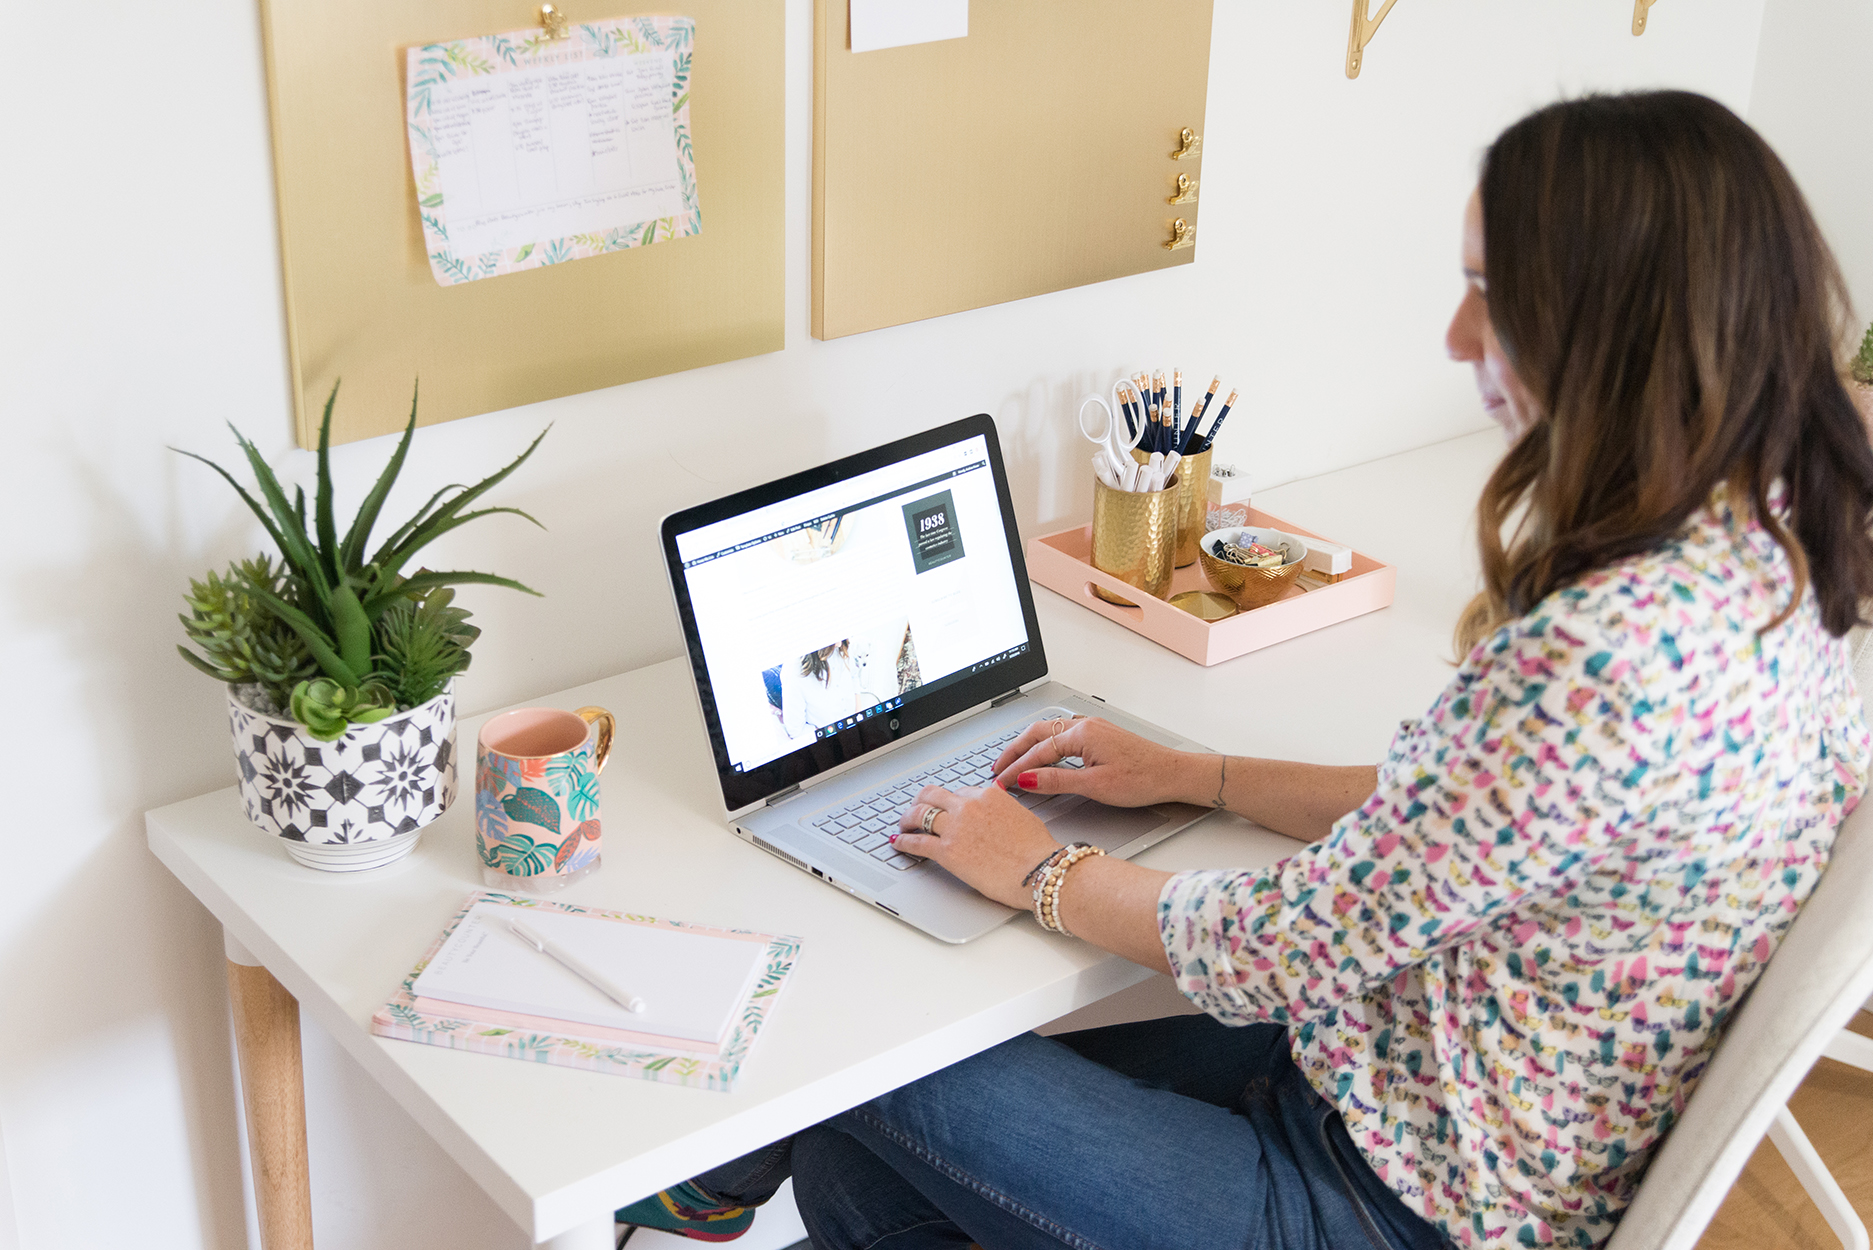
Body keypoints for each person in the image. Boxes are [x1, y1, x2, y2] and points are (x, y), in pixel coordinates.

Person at [617, 90, 1873, 1250]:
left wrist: (1040, 867)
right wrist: (1197, 772)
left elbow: (1287, 947)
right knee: (856, 1179)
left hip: (1390, 1199)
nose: (1454, 335)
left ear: (1610, 321)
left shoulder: (1608, 656)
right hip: (1411, 1082)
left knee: (852, 1056)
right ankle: (737, 1180)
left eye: (1489, 290)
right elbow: (1459, 822)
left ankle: (714, 1181)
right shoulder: (1769, 549)